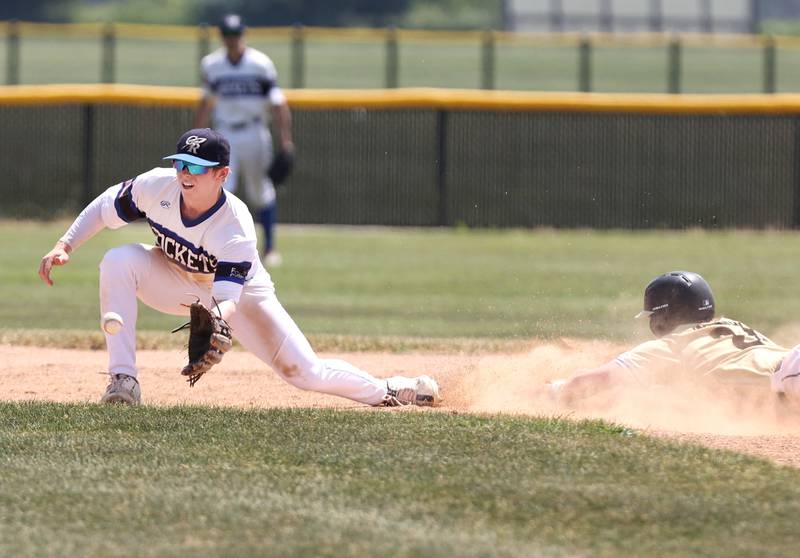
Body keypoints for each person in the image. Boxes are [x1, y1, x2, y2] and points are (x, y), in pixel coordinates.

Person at [37, 128, 439, 407]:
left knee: (304, 373)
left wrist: (215, 324)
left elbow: (228, 298)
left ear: (222, 175)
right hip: (175, 278)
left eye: (195, 167)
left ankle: (389, 389)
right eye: (181, 163)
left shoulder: (235, 228)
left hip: (240, 297)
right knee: (118, 260)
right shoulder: (156, 186)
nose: (184, 174)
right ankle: (123, 381)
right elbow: (107, 206)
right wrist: (65, 243)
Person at [547, 270, 800, 404]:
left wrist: (553, 391)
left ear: (663, 317)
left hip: (790, 377)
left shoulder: (673, 346)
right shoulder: (731, 327)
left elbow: (593, 381)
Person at [194, 13, 292, 268]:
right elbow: (205, 102)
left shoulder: (260, 64)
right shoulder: (212, 65)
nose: (232, 40)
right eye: (227, 35)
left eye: (236, 35)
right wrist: (197, 139)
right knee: (220, 189)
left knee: (261, 190)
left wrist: (285, 141)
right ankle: (218, 248)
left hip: (255, 131)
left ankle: (270, 248)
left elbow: (279, 104)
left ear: (244, 35)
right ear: (222, 38)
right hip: (225, 133)